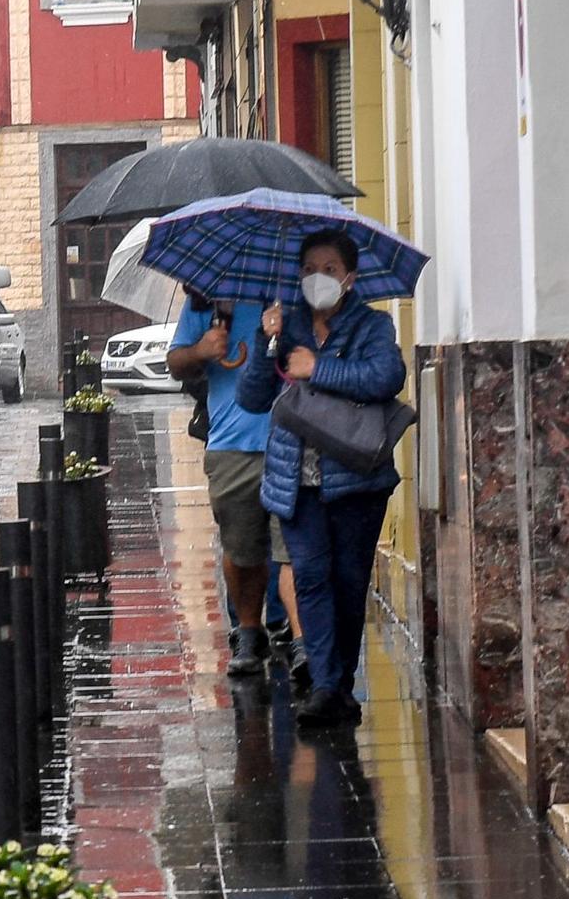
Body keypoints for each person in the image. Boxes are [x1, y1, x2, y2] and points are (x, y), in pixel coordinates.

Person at [236, 230, 406, 725]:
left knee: (348, 581)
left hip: (355, 476)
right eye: (309, 268)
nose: (318, 278)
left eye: (329, 269)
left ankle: (340, 680)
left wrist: (319, 367)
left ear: (349, 279)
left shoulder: (373, 327)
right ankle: (327, 686)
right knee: (309, 576)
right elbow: (251, 398)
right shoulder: (284, 327)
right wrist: (267, 342)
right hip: (296, 479)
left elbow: (385, 378)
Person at [167, 290, 304, 679]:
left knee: (294, 550)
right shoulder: (208, 302)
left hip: (295, 440)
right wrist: (200, 351)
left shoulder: (297, 293)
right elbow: (175, 362)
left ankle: (300, 639)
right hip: (231, 444)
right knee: (241, 548)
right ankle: (247, 631)